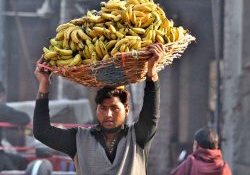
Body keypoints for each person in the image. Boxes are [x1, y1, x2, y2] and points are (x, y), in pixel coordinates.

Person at [33, 43, 164, 174]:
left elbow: (151, 112)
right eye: (103, 108)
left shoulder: (138, 136)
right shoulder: (79, 139)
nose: (108, 114)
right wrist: (44, 85)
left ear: (126, 110)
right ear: (96, 109)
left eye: (115, 108)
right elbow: (42, 132)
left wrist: (151, 74)